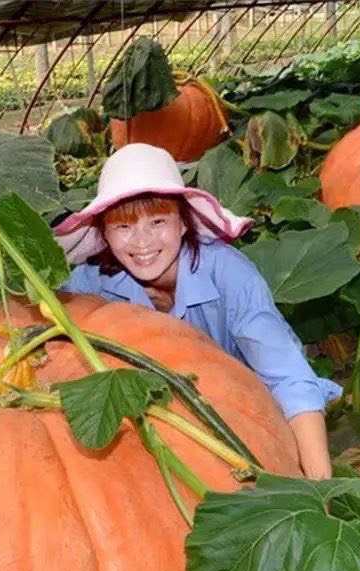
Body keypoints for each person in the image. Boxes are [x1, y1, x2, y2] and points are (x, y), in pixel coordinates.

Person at [54, 143, 341, 480]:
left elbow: (288, 377)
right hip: (161, 422)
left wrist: (320, 485)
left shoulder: (230, 275)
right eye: (123, 227)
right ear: (104, 234)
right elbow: (46, 325)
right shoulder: (91, 282)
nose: (142, 242)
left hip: (245, 414)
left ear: (184, 223)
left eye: (158, 221)